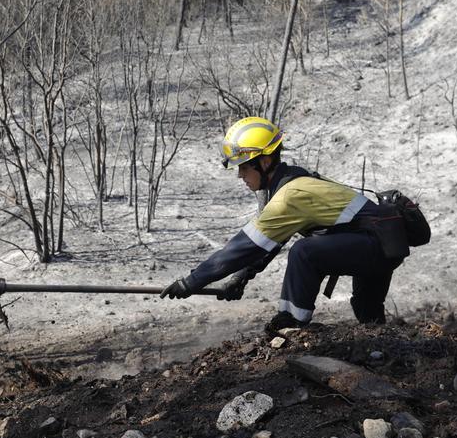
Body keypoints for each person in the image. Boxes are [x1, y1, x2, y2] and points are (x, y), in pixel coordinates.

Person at [159, 116, 406, 331]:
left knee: (304, 253)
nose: (240, 176)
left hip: (374, 244)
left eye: (244, 168)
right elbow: (271, 244)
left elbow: (245, 246)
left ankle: (292, 325)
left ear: (264, 162)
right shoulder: (297, 181)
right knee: (368, 311)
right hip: (380, 244)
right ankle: (379, 345)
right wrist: (241, 278)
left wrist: (191, 282)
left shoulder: (290, 195)